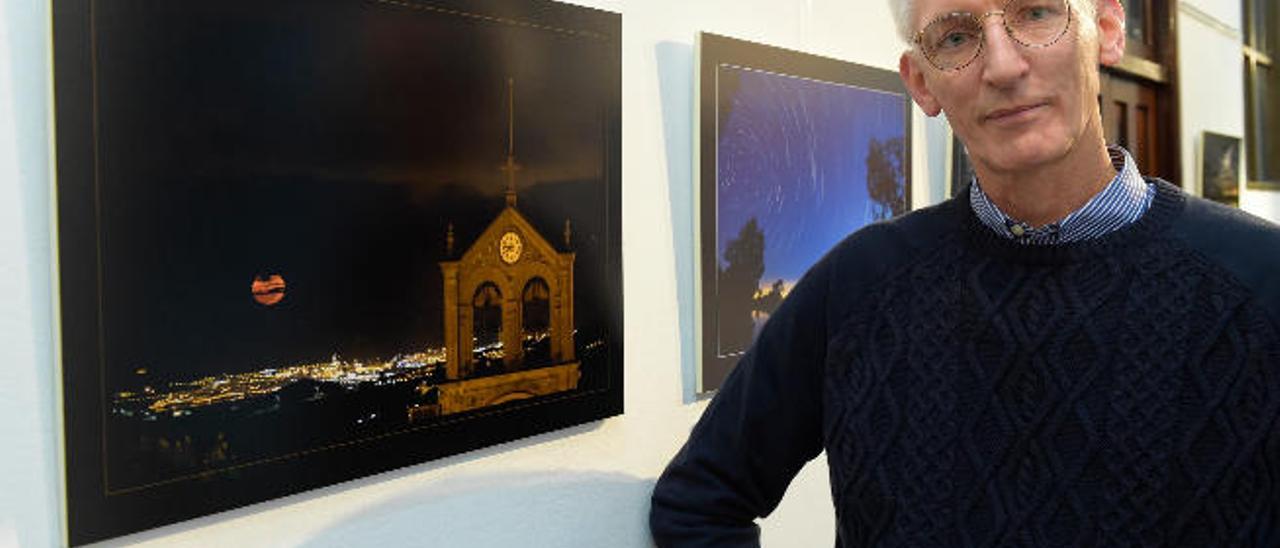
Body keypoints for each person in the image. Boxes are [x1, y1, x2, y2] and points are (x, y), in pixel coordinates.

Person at [650, 0, 1280, 545]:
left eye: (1036, 13)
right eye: (955, 36)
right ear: (921, 83)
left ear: (1107, 29)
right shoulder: (861, 283)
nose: (1003, 66)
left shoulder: (1258, 281)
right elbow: (700, 498)